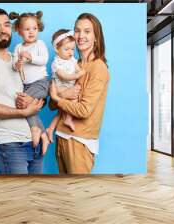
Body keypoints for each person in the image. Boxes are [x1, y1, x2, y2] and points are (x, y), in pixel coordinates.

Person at [0, 8, 45, 174]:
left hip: (34, 142)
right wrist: (24, 112)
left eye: (6, 25)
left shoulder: (17, 59)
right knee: (18, 198)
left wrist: (41, 130)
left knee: (36, 196)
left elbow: (35, 90)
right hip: (10, 146)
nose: (3, 30)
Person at [48, 13, 110, 174]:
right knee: (65, 196)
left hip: (79, 141)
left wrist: (58, 97)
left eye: (87, 31)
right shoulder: (74, 64)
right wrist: (62, 95)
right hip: (62, 136)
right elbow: (51, 105)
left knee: (80, 195)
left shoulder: (98, 68)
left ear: (96, 37)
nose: (81, 36)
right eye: (77, 30)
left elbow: (83, 110)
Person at [9, 11, 50, 155]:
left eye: (34, 28)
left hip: (41, 83)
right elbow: (14, 64)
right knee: (24, 105)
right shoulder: (18, 48)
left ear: (38, 28)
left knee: (23, 103)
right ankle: (44, 135)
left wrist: (31, 57)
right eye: (27, 29)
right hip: (27, 85)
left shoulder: (40, 44)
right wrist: (17, 65)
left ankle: (35, 129)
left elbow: (44, 60)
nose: (31, 32)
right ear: (19, 31)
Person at [46, 29, 86, 142]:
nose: (70, 52)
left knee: (63, 109)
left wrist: (81, 71)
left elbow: (79, 69)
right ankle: (67, 119)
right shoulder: (56, 63)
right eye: (66, 49)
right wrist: (77, 75)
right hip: (60, 86)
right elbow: (63, 76)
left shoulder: (72, 60)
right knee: (70, 100)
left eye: (72, 49)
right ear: (56, 49)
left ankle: (50, 128)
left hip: (69, 86)